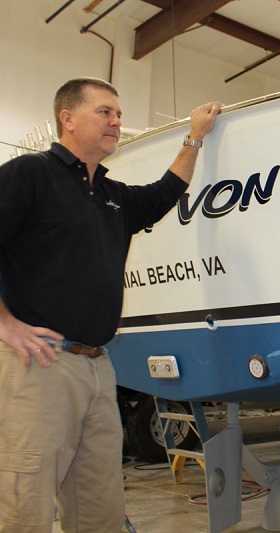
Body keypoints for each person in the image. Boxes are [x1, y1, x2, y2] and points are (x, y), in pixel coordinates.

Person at [0, 77, 222, 533]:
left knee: (99, 501)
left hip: (98, 367)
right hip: (40, 364)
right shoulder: (27, 175)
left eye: (118, 114)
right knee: (26, 502)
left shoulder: (111, 195)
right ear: (68, 118)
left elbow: (164, 193)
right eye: (104, 112)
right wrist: (5, 324)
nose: (116, 122)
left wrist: (194, 138)